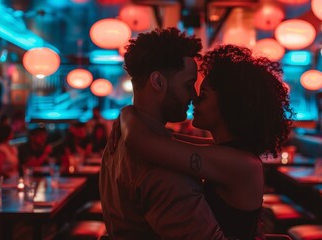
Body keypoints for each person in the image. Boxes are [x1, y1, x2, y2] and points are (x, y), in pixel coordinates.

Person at [120, 44, 293, 239]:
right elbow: (165, 139)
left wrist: (126, 113)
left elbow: (141, 141)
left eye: (203, 95)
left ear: (228, 104)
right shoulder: (228, 153)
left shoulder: (240, 163)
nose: (194, 99)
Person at [100, 28, 227, 240]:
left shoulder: (122, 136)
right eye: (188, 85)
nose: (194, 96)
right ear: (158, 81)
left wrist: (126, 113)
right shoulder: (164, 166)